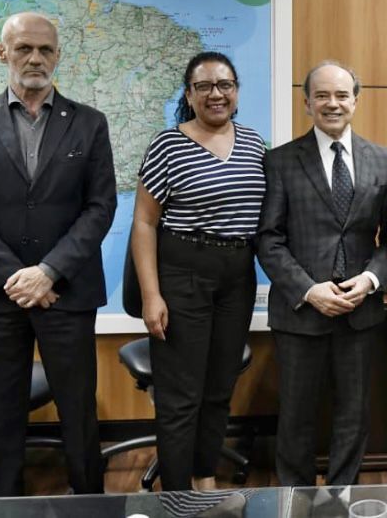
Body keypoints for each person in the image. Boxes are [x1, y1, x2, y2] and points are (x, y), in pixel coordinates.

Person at [0, 11, 117, 496]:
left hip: (68, 292)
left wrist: (49, 272)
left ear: (58, 55)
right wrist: (19, 278)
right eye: (24, 49)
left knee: (79, 412)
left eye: (45, 49)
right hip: (1, 298)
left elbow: (100, 207)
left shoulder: (90, 123)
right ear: (3, 53)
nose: (35, 58)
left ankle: (90, 503)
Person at [257, 61, 387, 486]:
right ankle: (296, 501)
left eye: (342, 95)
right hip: (301, 314)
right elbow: (268, 239)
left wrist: (371, 280)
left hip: (360, 312)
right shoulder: (280, 161)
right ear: (306, 103)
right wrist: (308, 290)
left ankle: (342, 498)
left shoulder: (383, 159)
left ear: (355, 101)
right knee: (297, 418)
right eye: (322, 95)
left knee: (353, 415)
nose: (332, 103)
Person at [132, 51, 266, 491]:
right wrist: (152, 296)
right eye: (204, 86)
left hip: (236, 277)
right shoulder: (168, 145)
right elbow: (145, 222)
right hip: (182, 272)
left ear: (237, 93)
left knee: (218, 388)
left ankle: (205, 478)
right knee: (180, 395)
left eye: (224, 85)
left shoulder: (254, 144)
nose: (216, 94)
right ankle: (175, 493)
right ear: (189, 95)